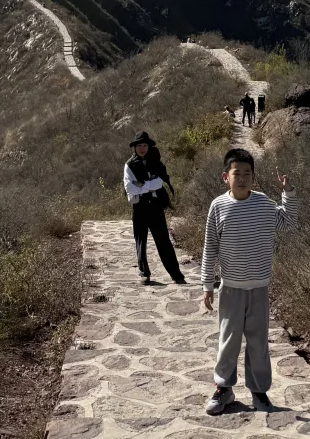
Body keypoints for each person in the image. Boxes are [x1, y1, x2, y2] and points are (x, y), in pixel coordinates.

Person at [201, 146, 297, 415]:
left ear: (253, 177)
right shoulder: (218, 206)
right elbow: (210, 247)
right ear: (225, 177)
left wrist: (288, 193)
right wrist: (207, 285)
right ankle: (223, 389)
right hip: (230, 288)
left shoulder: (264, 204)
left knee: (258, 343)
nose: (241, 178)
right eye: (236, 173)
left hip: (258, 288)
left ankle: (259, 391)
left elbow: (288, 223)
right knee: (228, 341)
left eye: (247, 173)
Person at [124, 131, 186, 286]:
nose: (142, 148)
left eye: (144, 145)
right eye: (139, 145)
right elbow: (129, 188)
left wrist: (141, 185)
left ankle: (176, 274)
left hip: (155, 207)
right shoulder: (129, 165)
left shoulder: (156, 163)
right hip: (139, 207)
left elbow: (159, 183)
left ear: (149, 146)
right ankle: (144, 273)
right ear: (135, 147)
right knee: (140, 241)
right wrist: (149, 186)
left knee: (163, 240)